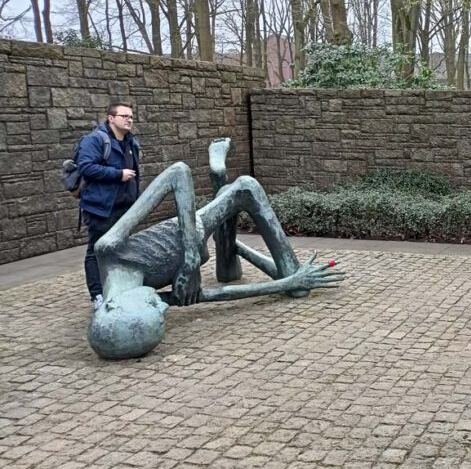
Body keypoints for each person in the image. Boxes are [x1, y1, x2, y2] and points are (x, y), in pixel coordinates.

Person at [89, 138, 344, 360]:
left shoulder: (109, 250)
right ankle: (232, 232)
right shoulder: (146, 301)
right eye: (162, 314)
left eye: (154, 307)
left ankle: (218, 173)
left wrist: (190, 260)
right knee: (287, 286)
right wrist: (287, 283)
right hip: (200, 248)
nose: (163, 306)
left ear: (111, 306)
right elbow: (215, 295)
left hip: (192, 229)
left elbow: (178, 172)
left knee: (247, 186)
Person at [79, 103, 141, 311]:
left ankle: (117, 288)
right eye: (124, 116)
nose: (129, 120)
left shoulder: (131, 143)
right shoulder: (95, 140)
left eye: (131, 117)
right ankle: (97, 295)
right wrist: (118, 174)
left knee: (121, 249)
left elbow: (135, 174)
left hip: (126, 207)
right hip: (101, 208)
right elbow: (86, 167)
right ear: (111, 118)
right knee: (97, 250)